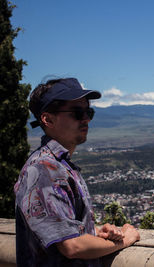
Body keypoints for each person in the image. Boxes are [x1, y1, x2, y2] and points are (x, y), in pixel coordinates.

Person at [14, 78, 140, 266]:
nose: (86, 119)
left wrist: (93, 231)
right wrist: (126, 240)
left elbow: (59, 231)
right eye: (77, 113)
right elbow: (72, 246)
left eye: (88, 112)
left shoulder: (59, 166)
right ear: (48, 119)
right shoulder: (43, 170)